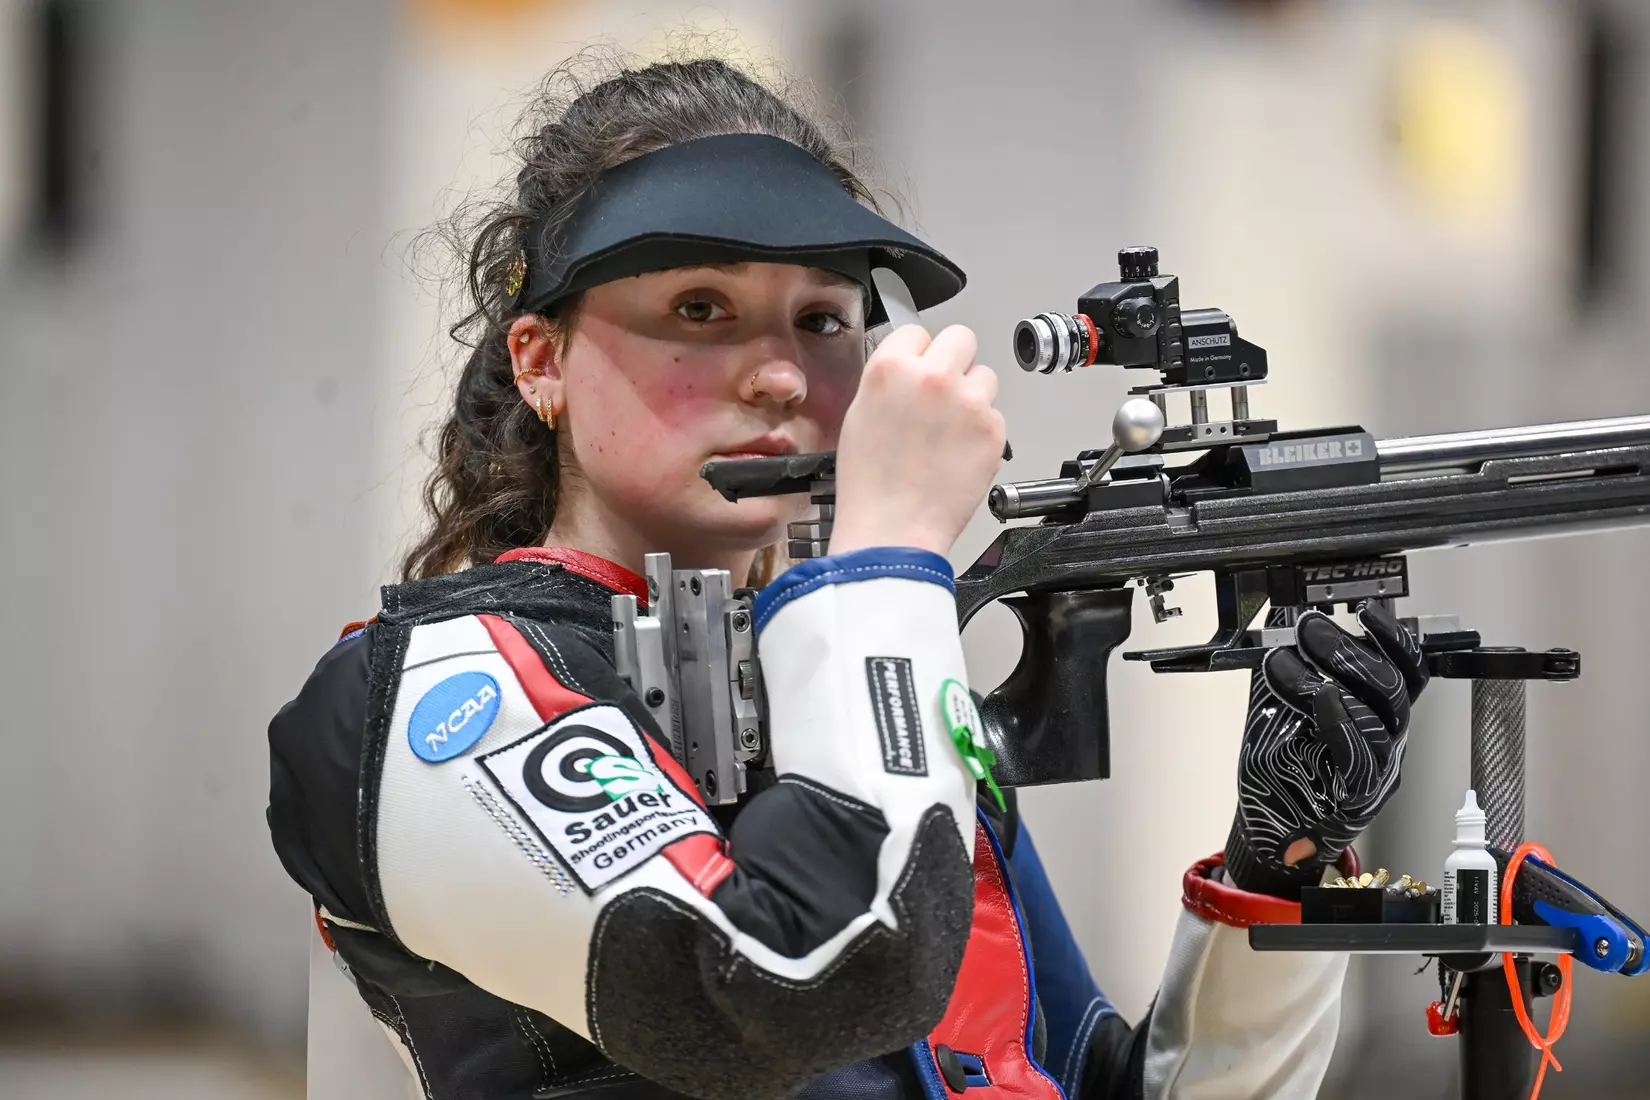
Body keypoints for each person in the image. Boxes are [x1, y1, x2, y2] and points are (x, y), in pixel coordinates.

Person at [267, 55, 1429, 1100]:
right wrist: (884, 560)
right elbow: (790, 988)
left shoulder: (859, 691)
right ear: (542, 359)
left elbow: (1071, 1075)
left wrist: (1279, 861)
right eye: (700, 306)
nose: (780, 373)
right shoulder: (428, 689)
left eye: (823, 317)